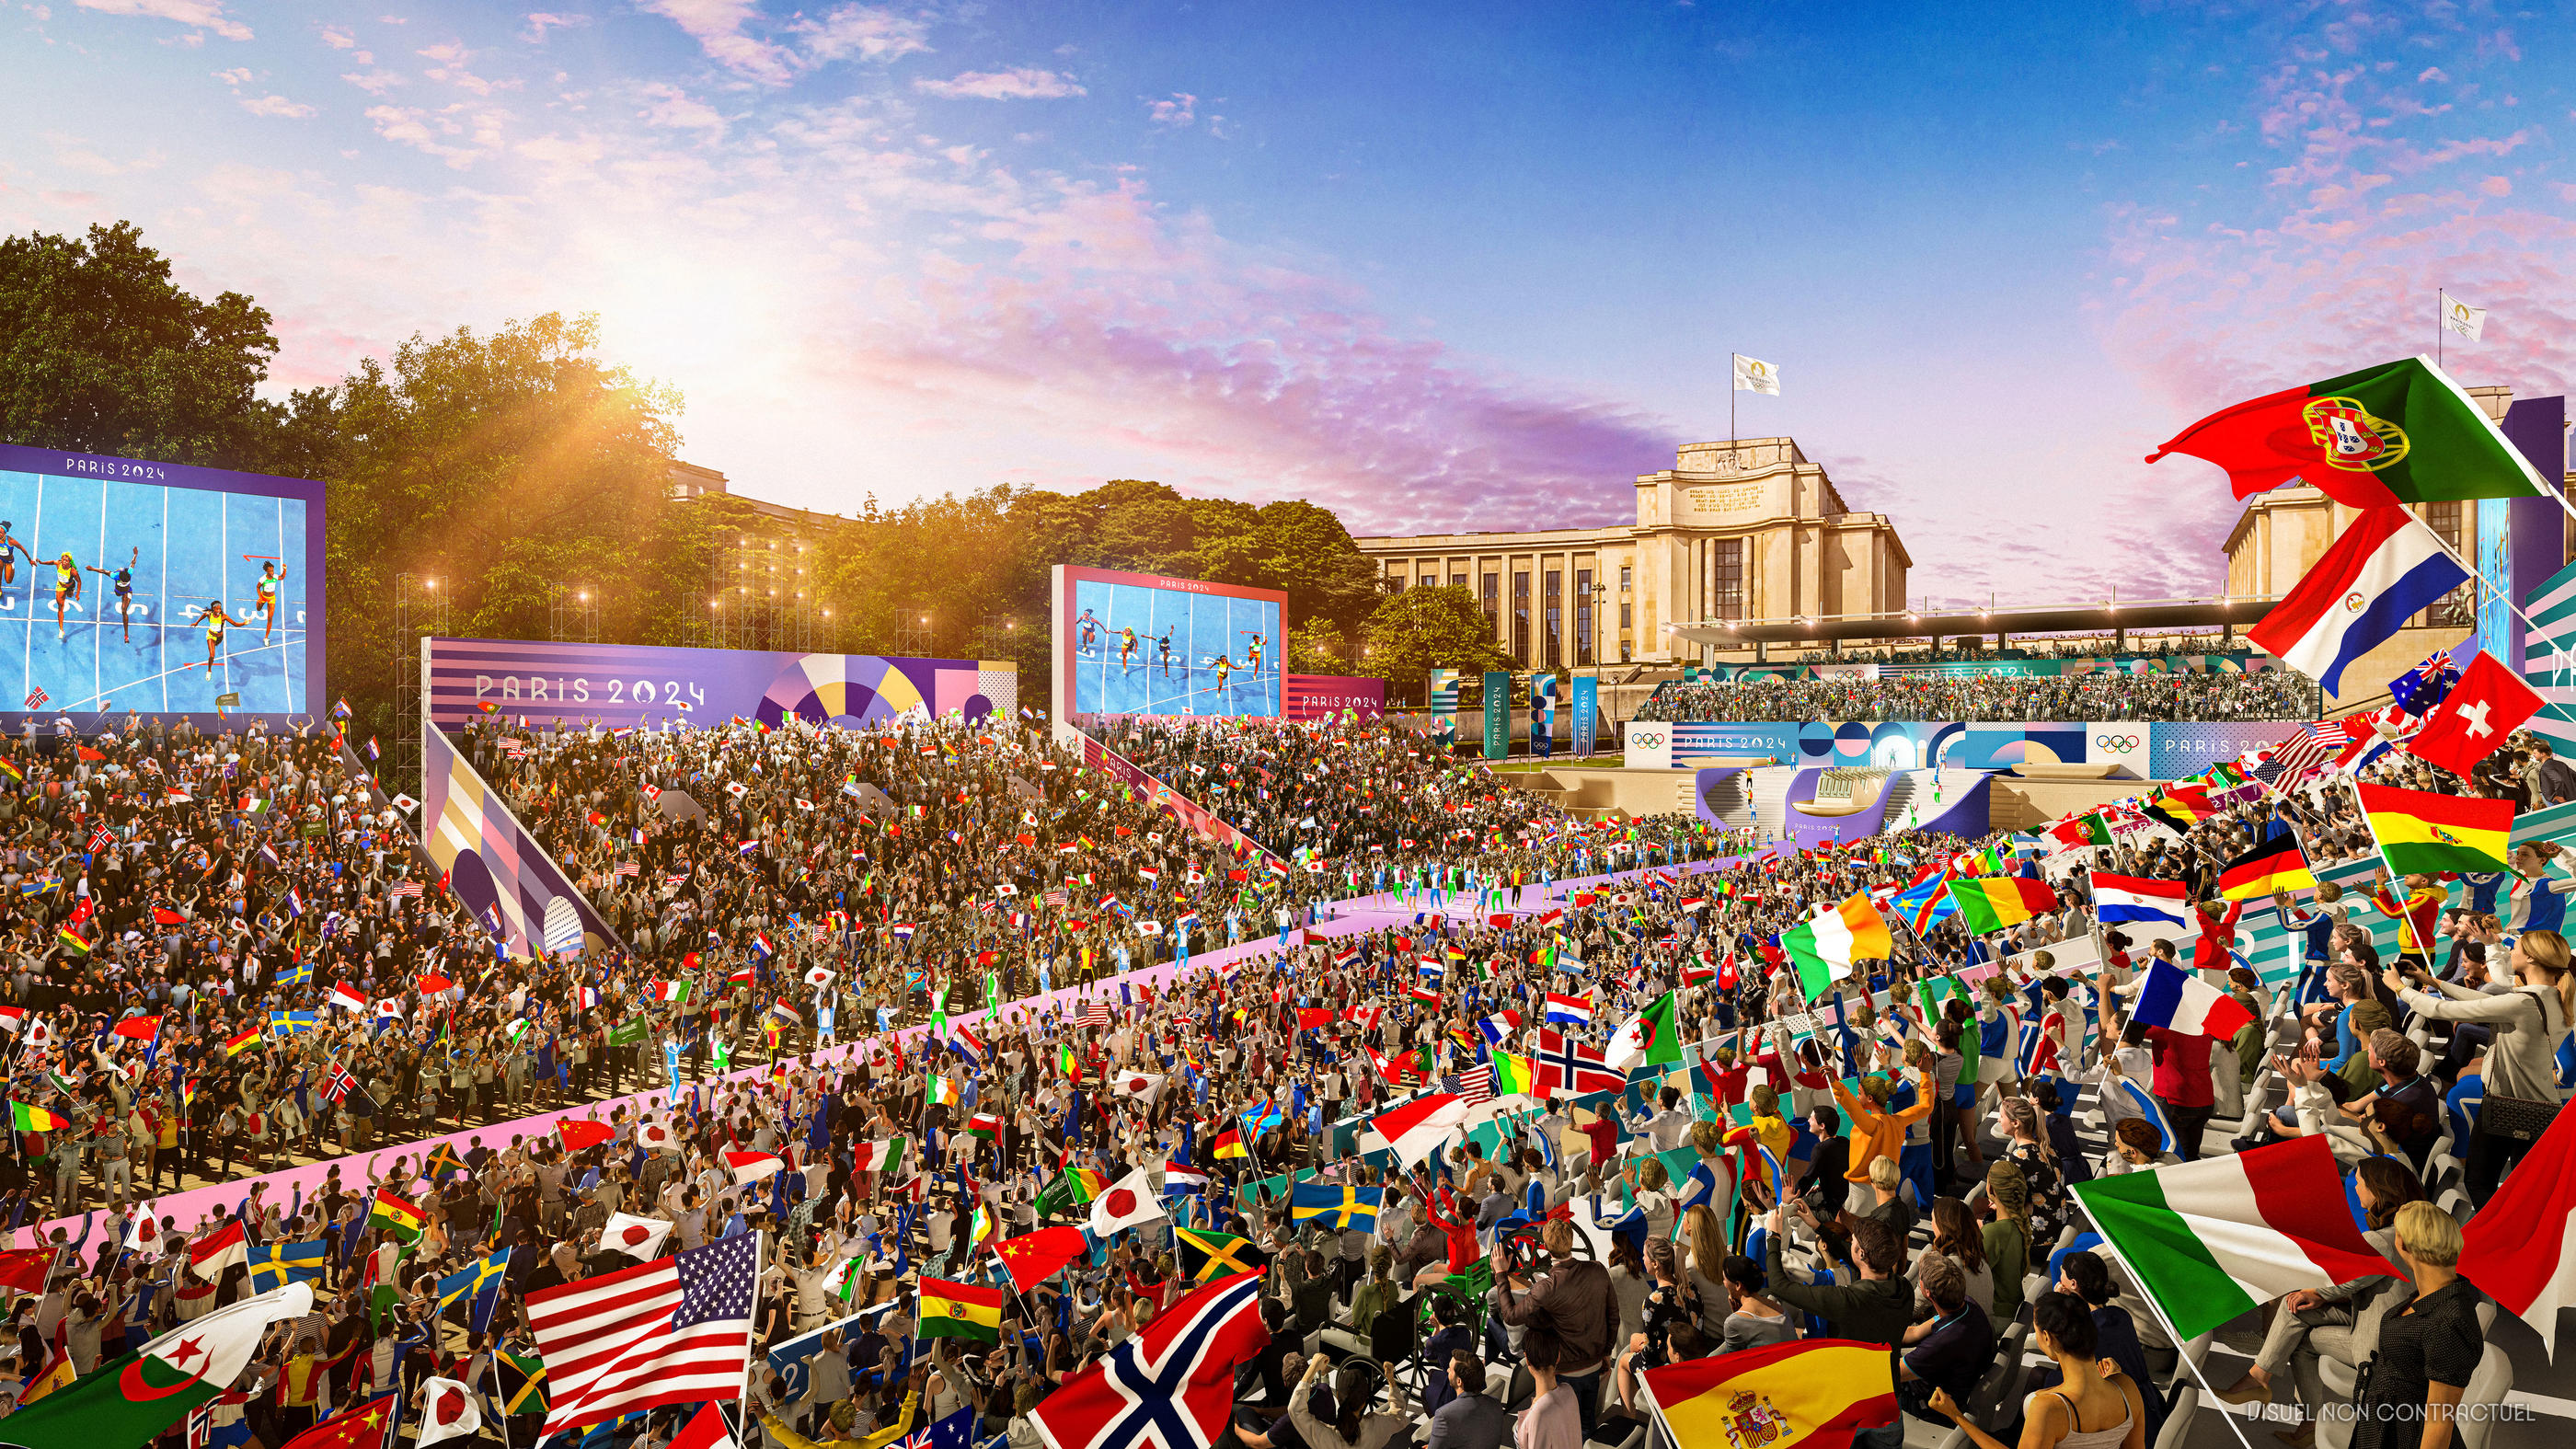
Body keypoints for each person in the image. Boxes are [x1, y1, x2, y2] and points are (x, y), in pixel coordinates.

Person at [2386, 927, 2573, 1204]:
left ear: (2532, 958)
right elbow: (2490, 1002)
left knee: (2478, 1182)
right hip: (2542, 1108)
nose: (2511, 951)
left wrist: (2400, 988)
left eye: (2517, 947)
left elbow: (2439, 1010)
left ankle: (2500, 1236)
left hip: (2505, 1105)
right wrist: (2434, 982)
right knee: (2529, 1189)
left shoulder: (2523, 1002)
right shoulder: (2557, 998)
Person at [2348, 1202, 2487, 1449]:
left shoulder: (2449, 1322)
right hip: (2383, 1423)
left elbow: (2439, 1422)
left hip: (2405, 1436)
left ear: (2402, 1244)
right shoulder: (2430, 1295)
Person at [1930, 1292, 2145, 1449]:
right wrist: (2117, 1377)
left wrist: (1957, 1416)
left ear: (2047, 1337)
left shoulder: (2049, 1408)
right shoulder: (2127, 1388)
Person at [1488, 1217, 1614, 1445]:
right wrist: (1605, 1352)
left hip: (1566, 1370)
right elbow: (1612, 1316)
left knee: (1566, 1428)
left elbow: (1511, 1316)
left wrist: (1500, 1274)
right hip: (1595, 1363)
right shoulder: (1598, 1270)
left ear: (1544, 1246)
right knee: (1587, 1424)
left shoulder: (1546, 1287)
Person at [1428, 1351, 1511, 1449]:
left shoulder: (1444, 1415)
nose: (1447, 1370)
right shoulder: (1496, 1404)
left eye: (1450, 1369)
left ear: (1459, 1381)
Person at [255, 558, 289, 643]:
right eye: (270, 571)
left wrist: (284, 569)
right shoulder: (263, 579)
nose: (272, 572)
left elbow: (282, 577)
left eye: (273, 570)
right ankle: (258, 603)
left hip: (272, 598)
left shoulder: (275, 577)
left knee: (270, 618)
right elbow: (258, 587)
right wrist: (260, 597)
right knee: (258, 609)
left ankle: (266, 637)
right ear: (266, 571)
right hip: (263, 597)